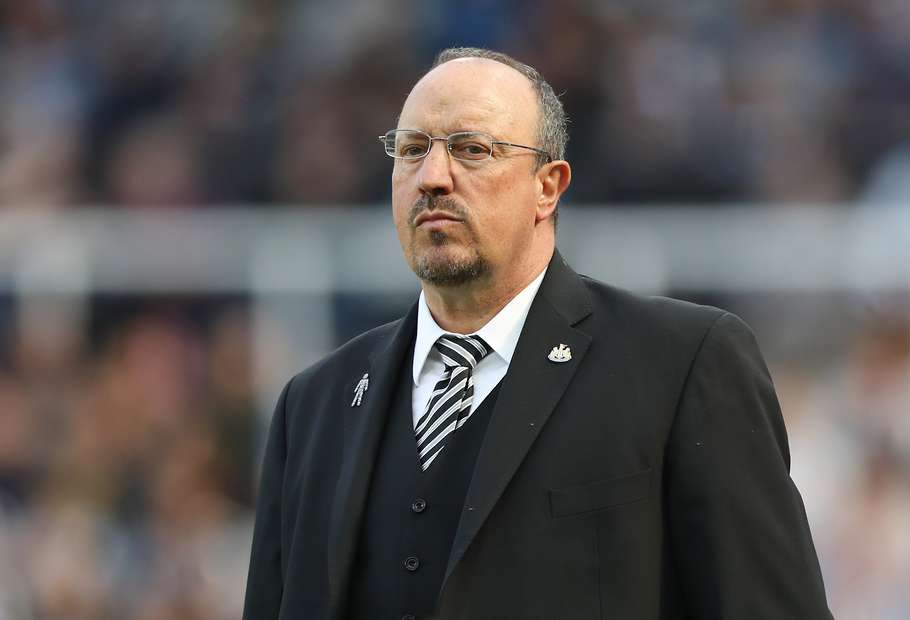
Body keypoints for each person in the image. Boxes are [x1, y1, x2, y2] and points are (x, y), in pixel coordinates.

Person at [242, 47, 834, 620]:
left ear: (547, 187)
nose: (433, 177)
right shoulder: (312, 405)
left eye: (472, 149)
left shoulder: (682, 364)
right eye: (413, 149)